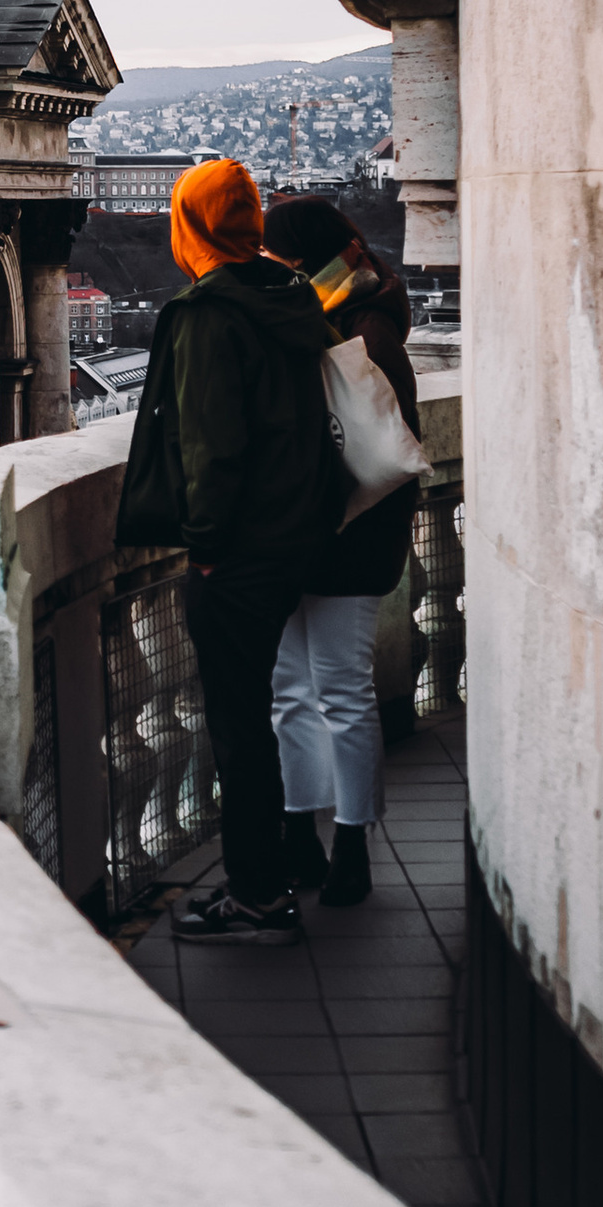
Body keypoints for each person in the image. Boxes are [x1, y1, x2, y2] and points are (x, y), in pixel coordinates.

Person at [117, 158, 345, 944]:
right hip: (293, 536)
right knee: (263, 720)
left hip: (238, 551)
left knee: (239, 730)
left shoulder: (209, 315)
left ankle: (257, 893)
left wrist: (207, 548)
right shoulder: (291, 294)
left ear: (193, 225)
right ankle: (280, 868)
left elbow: (212, 445)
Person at [259, 194, 421, 908]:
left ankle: (347, 839)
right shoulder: (359, 312)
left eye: (282, 260)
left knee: (330, 691)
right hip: (319, 530)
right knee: (301, 691)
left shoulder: (360, 326)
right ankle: (310, 832)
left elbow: (379, 441)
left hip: (342, 532)